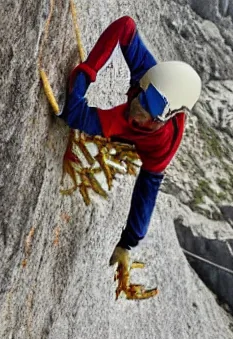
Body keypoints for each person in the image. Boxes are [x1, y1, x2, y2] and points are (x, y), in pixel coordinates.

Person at [60, 16, 202, 271]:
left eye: (150, 109)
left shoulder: (157, 139)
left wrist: (128, 243)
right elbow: (125, 26)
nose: (137, 108)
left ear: (166, 116)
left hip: (138, 137)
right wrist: (89, 71)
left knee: (79, 117)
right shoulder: (152, 82)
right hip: (146, 110)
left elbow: (147, 191)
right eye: (143, 97)